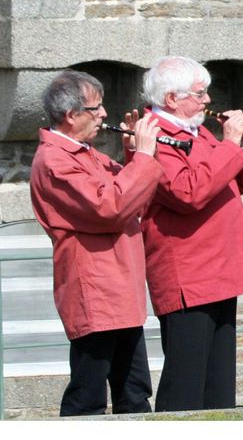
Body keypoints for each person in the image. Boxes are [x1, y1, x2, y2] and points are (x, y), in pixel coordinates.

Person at [30, 70, 163, 416]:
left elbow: (132, 197)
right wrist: (146, 158)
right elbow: (110, 208)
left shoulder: (85, 153)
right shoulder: (56, 161)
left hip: (120, 288)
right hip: (96, 290)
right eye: (96, 108)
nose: (105, 114)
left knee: (134, 391)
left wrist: (134, 157)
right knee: (88, 395)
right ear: (71, 115)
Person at [140, 56, 243, 411]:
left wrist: (240, 144)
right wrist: (229, 145)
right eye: (200, 94)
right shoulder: (155, 137)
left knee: (219, 385)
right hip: (190, 272)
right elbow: (188, 192)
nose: (208, 101)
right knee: (186, 383)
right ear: (171, 99)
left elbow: (235, 181)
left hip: (220, 268)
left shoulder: (198, 131)